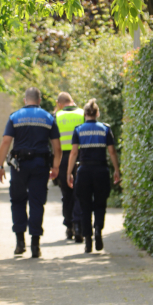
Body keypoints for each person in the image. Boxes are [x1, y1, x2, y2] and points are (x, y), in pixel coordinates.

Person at [0, 87, 61, 258]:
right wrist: (55, 167)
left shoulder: (15, 117)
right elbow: (57, 147)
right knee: (37, 202)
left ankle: (19, 242)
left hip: (19, 166)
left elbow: (5, 142)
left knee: (17, 200)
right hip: (40, 165)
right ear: (39, 101)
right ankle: (35, 245)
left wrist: (0, 165)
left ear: (25, 100)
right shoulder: (48, 118)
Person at [67, 99, 121, 253]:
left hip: (84, 171)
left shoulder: (78, 130)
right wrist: (116, 169)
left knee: (85, 206)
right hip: (101, 171)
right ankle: (98, 230)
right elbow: (112, 152)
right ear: (97, 113)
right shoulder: (105, 129)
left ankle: (88, 241)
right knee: (100, 204)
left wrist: (69, 173)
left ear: (85, 114)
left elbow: (74, 153)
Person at [54, 92, 84, 243]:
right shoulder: (83, 114)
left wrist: (53, 165)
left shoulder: (57, 117)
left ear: (59, 103)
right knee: (80, 192)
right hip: (80, 157)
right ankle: (79, 225)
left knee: (66, 193)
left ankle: (69, 226)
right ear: (72, 101)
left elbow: (52, 143)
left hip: (63, 159)